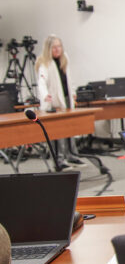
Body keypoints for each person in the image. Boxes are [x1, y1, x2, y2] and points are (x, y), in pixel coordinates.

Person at [35, 35, 86, 169]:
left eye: (59, 46)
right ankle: (59, 160)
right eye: (54, 47)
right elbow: (41, 82)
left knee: (69, 130)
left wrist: (73, 93)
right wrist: (45, 95)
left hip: (66, 100)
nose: (57, 50)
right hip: (53, 104)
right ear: (48, 49)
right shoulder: (44, 62)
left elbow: (69, 79)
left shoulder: (65, 59)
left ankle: (71, 155)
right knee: (57, 134)